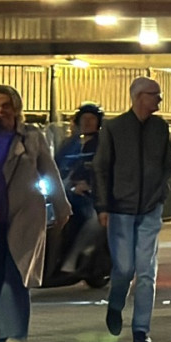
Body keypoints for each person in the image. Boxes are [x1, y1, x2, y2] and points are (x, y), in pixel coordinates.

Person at [0, 85, 71, 342]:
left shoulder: (31, 137)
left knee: (16, 273)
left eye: (5, 105)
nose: (0, 110)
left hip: (24, 214)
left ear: (16, 108)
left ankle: (16, 334)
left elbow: (49, 169)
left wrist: (61, 205)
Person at [93, 77, 171, 342]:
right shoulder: (114, 128)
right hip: (120, 210)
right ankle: (115, 304)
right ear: (140, 96)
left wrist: (160, 193)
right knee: (124, 268)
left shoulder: (161, 128)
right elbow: (101, 168)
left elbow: (168, 164)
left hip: (151, 208)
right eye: (155, 95)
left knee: (146, 270)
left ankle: (141, 328)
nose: (159, 101)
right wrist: (103, 206)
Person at [54, 102, 103, 269]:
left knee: (92, 219)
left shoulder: (103, 145)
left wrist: (90, 184)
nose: (87, 122)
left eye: (91, 119)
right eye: (84, 118)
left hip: (90, 195)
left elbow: (106, 169)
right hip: (64, 191)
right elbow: (53, 164)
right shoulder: (69, 144)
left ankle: (73, 258)